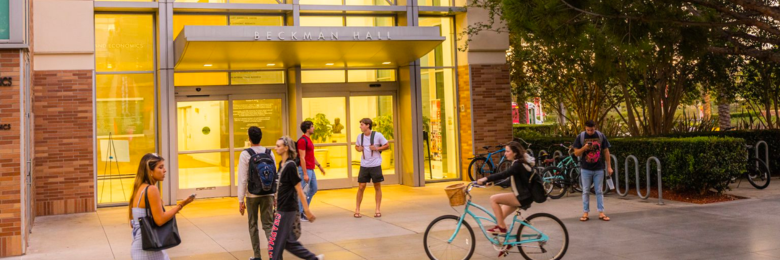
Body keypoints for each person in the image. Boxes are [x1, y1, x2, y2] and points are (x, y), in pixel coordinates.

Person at [128, 153, 195, 260]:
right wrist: (182, 204)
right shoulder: (151, 189)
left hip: (141, 247)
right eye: (160, 167)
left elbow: (133, 223)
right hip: (148, 250)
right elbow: (160, 220)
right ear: (150, 171)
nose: (164, 170)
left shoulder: (139, 188)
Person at [269, 136, 324, 260]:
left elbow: (299, 189)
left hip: (287, 209)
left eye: (278, 146)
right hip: (281, 208)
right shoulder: (281, 164)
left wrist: (307, 211)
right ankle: (313, 258)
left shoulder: (290, 166)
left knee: (274, 243)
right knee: (288, 242)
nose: (275, 148)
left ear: (286, 148)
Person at [476, 141, 535, 235]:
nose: (505, 153)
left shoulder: (518, 164)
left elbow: (504, 174)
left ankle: (502, 229)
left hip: (523, 196)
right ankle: (507, 243)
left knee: (493, 199)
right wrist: (493, 182)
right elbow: (509, 180)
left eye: (507, 151)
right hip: (522, 195)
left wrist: (486, 178)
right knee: (500, 217)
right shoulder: (519, 163)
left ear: (515, 153)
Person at [238, 126, 277, 260]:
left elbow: (243, 179)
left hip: (252, 195)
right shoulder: (269, 153)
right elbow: (275, 176)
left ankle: (257, 256)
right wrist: (275, 195)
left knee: (253, 225)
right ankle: (274, 255)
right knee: (268, 225)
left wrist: (240, 200)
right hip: (268, 194)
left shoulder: (245, 154)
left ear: (249, 138)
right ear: (261, 137)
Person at [572, 120, 613, 222]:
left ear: (595, 127)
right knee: (585, 191)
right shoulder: (581, 137)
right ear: (585, 128)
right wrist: (584, 148)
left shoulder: (600, 136)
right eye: (588, 130)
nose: (590, 132)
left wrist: (609, 166)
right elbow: (576, 153)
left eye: (592, 130)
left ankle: (601, 212)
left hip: (599, 168)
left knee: (599, 191)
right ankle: (585, 212)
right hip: (585, 168)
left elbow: (606, 151)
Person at [353, 118, 389, 218]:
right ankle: (357, 209)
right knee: (361, 187)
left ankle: (377, 209)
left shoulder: (378, 135)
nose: (360, 126)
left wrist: (377, 148)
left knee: (377, 186)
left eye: (362, 124)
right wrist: (358, 149)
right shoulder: (359, 137)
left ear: (368, 125)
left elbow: (387, 145)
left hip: (375, 165)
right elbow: (356, 147)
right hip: (364, 165)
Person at [297, 121, 326, 222]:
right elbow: (302, 158)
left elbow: (311, 156)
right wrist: (304, 173)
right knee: (303, 191)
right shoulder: (302, 141)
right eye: (312, 126)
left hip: (311, 169)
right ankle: (300, 213)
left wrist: (319, 166)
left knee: (314, 188)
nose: (313, 128)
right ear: (307, 129)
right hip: (305, 169)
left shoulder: (309, 140)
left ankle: (305, 209)